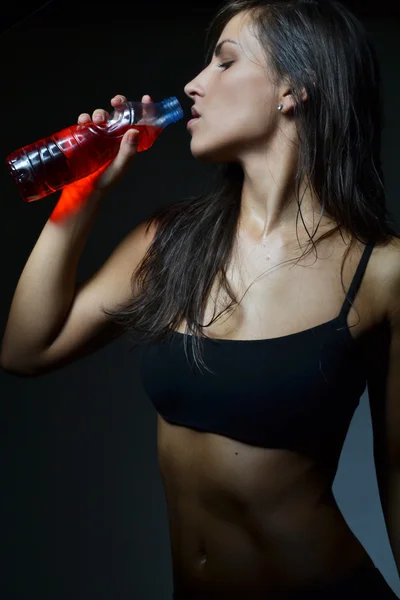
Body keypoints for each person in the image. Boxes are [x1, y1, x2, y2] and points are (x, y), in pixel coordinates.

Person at [1, 0, 400, 598]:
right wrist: (79, 197)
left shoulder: (380, 269)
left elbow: (396, 471)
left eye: (224, 63)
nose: (193, 85)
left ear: (294, 89)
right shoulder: (167, 244)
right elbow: (27, 349)